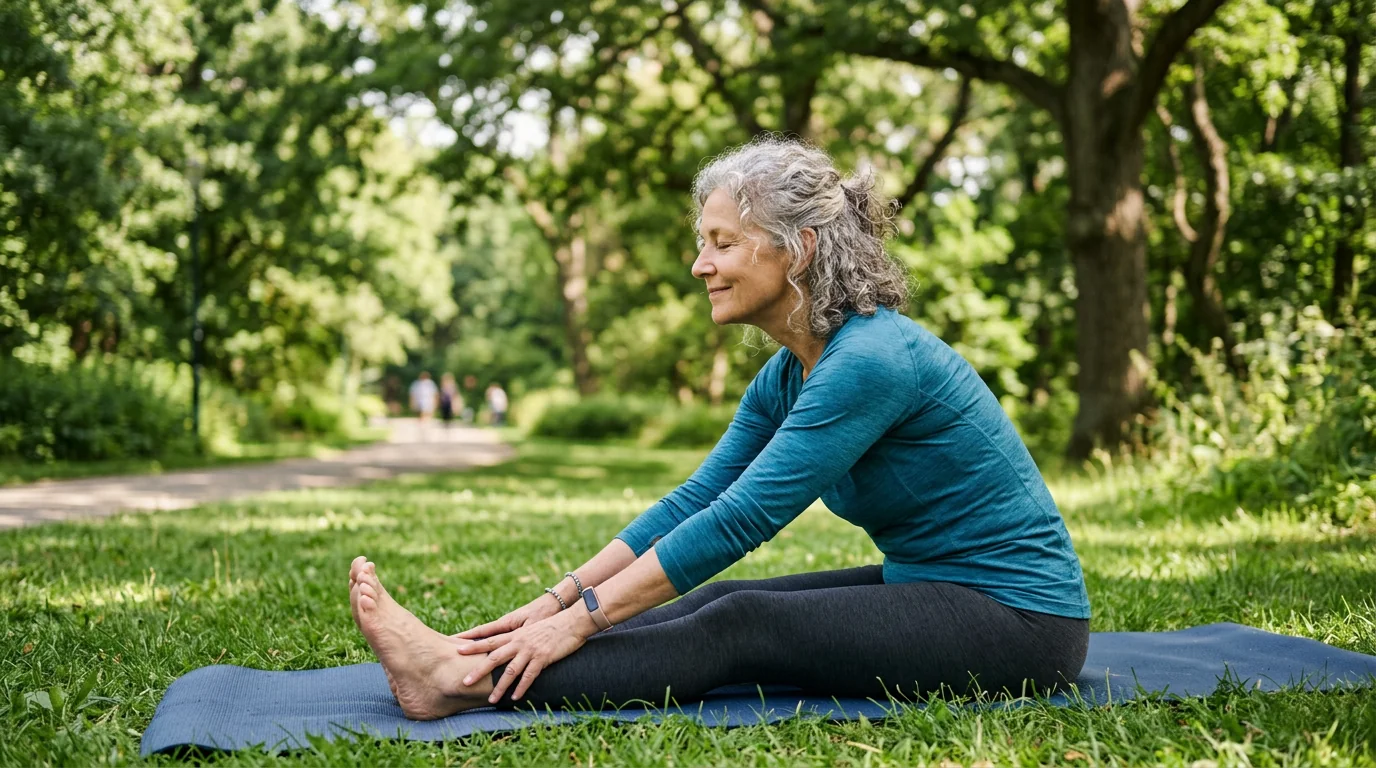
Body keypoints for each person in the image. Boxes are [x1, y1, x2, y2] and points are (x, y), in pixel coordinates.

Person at [346, 136, 1091, 721]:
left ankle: (456, 683)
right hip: (935, 587)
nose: (700, 264)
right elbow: (697, 498)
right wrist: (557, 602)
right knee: (700, 604)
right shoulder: (793, 367)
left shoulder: (872, 358)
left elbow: (744, 517)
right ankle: (465, 657)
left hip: (1018, 623)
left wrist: (582, 623)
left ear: (796, 248)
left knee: (738, 623)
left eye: (722, 243)